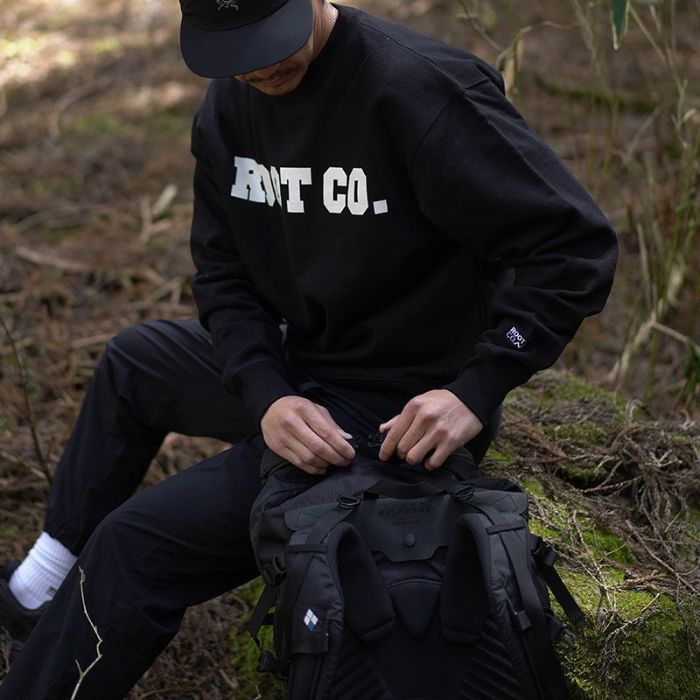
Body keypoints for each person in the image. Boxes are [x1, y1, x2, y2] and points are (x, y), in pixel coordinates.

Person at [0, 0, 618, 697]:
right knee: (135, 362)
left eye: (270, 40)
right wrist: (267, 394)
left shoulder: (421, 90)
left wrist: (476, 389)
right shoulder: (231, 102)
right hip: (301, 363)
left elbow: (574, 245)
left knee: (132, 547)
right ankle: (36, 592)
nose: (258, 66)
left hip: (394, 409)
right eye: (233, 50)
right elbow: (224, 276)